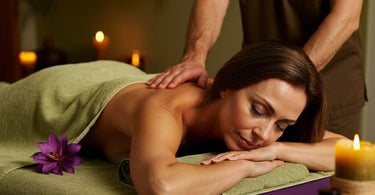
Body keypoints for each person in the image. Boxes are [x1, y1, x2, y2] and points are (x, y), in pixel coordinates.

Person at [77, 42, 347, 194]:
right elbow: (162, 187)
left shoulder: (261, 127)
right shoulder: (165, 109)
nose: (263, 135)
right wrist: (245, 168)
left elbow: (358, 152)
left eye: (281, 125)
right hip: (77, 87)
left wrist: (277, 149)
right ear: (226, 86)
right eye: (258, 110)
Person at [147, 0, 366, 139]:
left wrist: (284, 81)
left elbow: (345, 19)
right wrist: (194, 57)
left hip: (331, 87)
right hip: (259, 89)